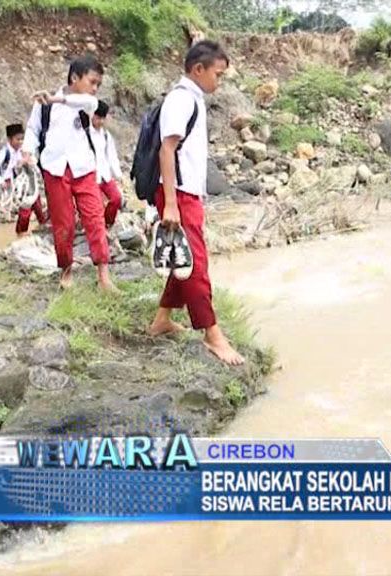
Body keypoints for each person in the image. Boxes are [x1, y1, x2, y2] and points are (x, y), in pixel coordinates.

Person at [147, 40, 245, 366]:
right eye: (218, 73)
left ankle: (162, 320)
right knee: (197, 264)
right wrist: (172, 204)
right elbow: (167, 149)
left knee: (182, 257)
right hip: (178, 194)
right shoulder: (181, 99)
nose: (220, 80)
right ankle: (212, 335)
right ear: (198, 69)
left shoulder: (193, 99)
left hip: (187, 193)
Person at [22, 55, 116, 292]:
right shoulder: (42, 105)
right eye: (92, 82)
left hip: (84, 167)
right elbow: (33, 130)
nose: (95, 89)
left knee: (95, 218)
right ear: (75, 77)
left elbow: (80, 101)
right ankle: (66, 269)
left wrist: (55, 99)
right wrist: (27, 151)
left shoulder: (88, 103)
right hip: (55, 169)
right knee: (63, 223)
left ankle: (104, 275)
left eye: (98, 85)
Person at [0, 123, 46, 236]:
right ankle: (21, 232)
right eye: (17, 139)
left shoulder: (23, 150)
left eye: (22, 139)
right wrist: (0, 181)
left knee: (37, 204)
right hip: (14, 185)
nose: (20, 141)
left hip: (26, 182)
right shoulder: (5, 152)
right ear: (10, 139)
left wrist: (29, 161)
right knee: (25, 208)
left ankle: (43, 225)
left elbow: (33, 162)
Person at [90, 100, 123, 228]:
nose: (101, 122)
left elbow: (111, 156)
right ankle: (97, 226)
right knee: (96, 205)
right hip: (92, 177)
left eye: (103, 119)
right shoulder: (85, 135)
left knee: (116, 199)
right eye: (98, 118)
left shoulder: (105, 135)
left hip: (105, 175)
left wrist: (118, 174)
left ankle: (108, 223)